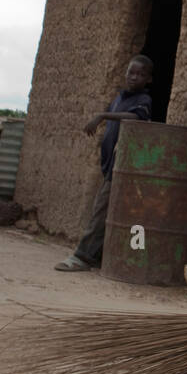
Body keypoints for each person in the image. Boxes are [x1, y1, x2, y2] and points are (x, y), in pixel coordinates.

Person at [55, 54, 154, 272]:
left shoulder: (143, 101)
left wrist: (102, 115)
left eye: (140, 74)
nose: (134, 77)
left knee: (101, 210)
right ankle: (99, 255)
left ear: (149, 80)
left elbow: (137, 119)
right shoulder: (119, 99)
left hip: (125, 167)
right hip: (111, 166)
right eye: (131, 72)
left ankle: (82, 257)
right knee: (107, 211)